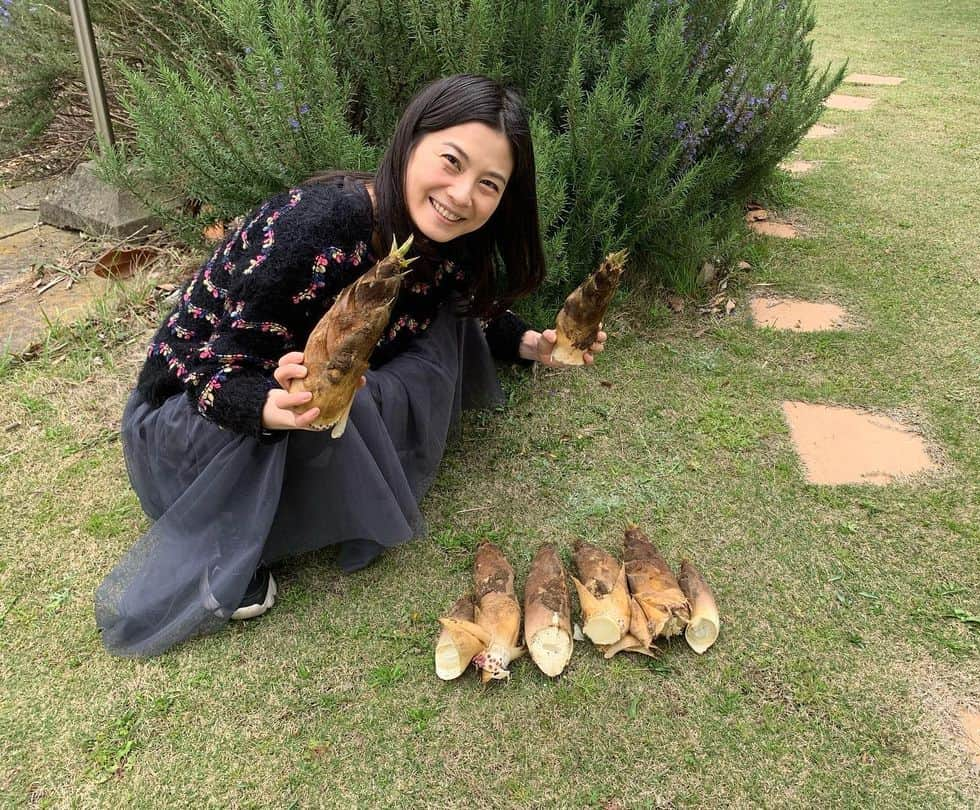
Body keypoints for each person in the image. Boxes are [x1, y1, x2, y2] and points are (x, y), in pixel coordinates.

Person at [95, 75, 607, 657]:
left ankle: (326, 459)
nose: (463, 194)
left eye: (488, 184)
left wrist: (531, 345)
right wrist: (266, 406)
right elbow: (200, 365)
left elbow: (461, 308)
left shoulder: (446, 234)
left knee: (428, 327)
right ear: (411, 139)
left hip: (296, 391)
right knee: (327, 405)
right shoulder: (319, 224)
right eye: (451, 161)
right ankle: (239, 538)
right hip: (196, 422)